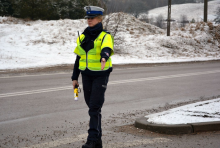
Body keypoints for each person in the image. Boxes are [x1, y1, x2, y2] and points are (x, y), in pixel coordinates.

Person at [71, 6, 114, 148]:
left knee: (94, 107)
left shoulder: (105, 36)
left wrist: (104, 57)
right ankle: (98, 140)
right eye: (88, 18)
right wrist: (74, 77)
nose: (89, 20)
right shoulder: (83, 36)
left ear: (99, 19)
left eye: (92, 18)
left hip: (100, 75)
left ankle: (92, 139)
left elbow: (106, 49)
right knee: (92, 106)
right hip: (86, 75)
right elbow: (79, 58)